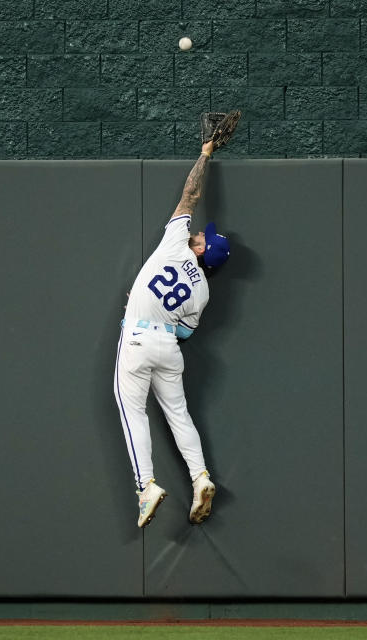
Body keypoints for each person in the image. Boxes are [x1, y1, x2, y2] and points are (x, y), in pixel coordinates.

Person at [113, 139, 230, 528]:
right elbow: (184, 334)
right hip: (168, 346)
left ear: (199, 250)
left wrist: (206, 153)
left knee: (132, 411)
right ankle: (200, 477)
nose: (197, 233)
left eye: (202, 238)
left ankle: (145, 485)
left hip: (138, 340)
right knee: (179, 415)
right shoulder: (204, 291)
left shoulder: (177, 243)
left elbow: (190, 194)